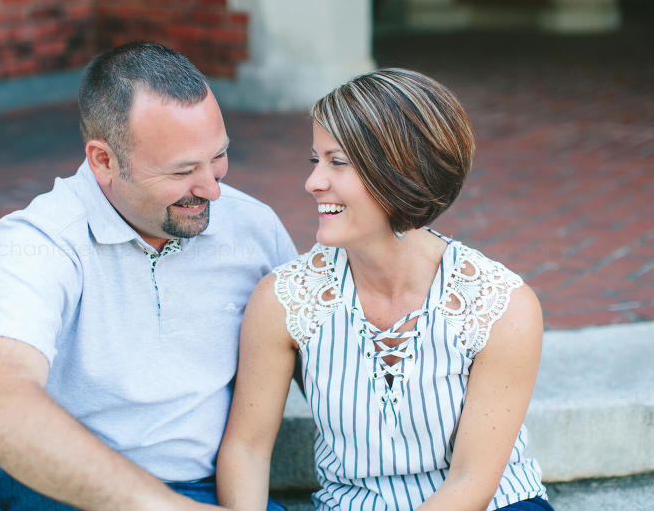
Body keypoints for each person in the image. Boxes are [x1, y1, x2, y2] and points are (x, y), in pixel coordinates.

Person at [0, 41, 296, 511]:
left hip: (202, 487)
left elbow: (330, 365)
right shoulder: (41, 239)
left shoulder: (254, 227)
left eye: (218, 156)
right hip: (56, 485)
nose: (213, 189)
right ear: (103, 161)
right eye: (182, 171)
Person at [216, 68, 554, 511]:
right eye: (315, 160)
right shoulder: (284, 299)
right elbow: (247, 450)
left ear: (400, 173)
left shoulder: (500, 305)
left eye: (337, 162)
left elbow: (472, 482)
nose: (314, 182)